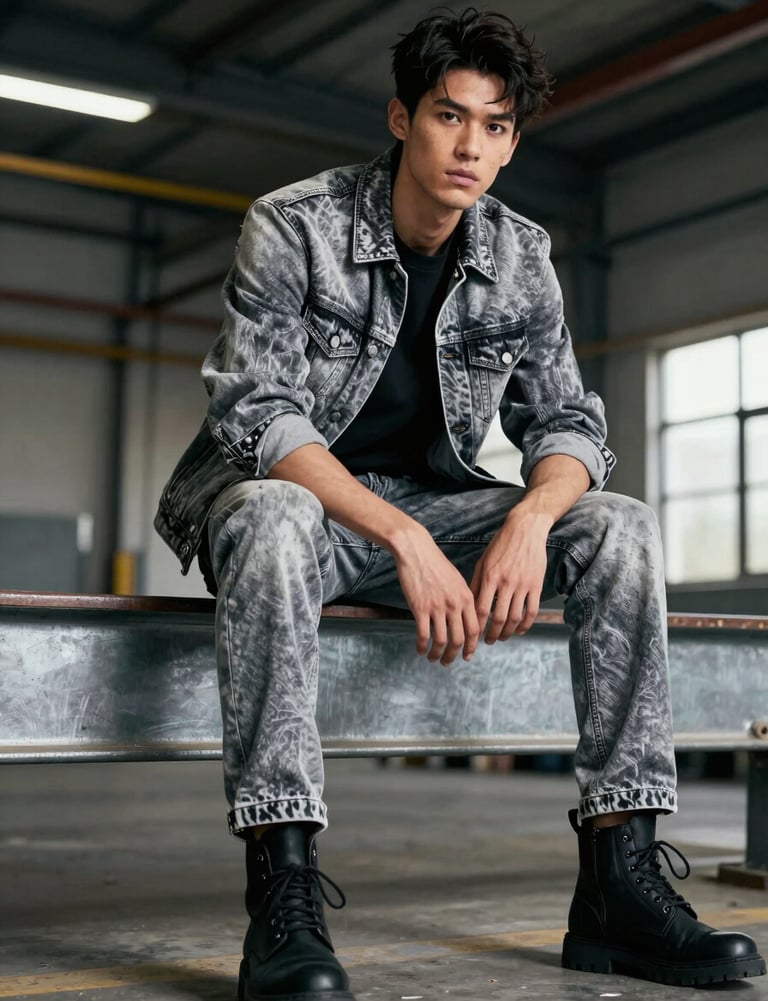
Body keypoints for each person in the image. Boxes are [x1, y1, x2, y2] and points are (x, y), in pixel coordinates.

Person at [155, 8, 765, 999]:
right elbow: (256, 415)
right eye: (449, 116)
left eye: (495, 125)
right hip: (302, 515)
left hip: (440, 508)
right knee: (271, 513)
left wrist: (529, 517)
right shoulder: (294, 224)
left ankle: (619, 880)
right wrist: (400, 534)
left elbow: (568, 422)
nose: (470, 145)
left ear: (512, 141)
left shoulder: (521, 256)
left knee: (619, 524)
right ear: (403, 119)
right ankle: (283, 889)